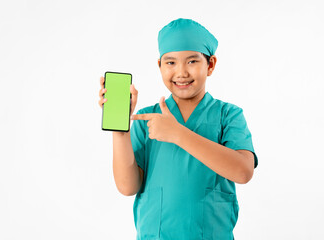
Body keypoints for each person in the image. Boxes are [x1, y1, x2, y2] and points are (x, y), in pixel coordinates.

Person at [98, 18, 258, 240]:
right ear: (160, 65)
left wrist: (178, 134)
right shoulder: (147, 119)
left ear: (210, 64)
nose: (181, 72)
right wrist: (121, 132)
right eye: (170, 63)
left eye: (192, 61)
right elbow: (127, 186)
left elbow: (243, 171)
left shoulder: (228, 115)